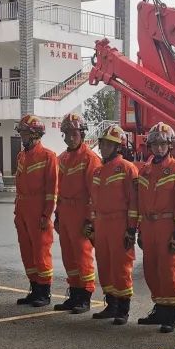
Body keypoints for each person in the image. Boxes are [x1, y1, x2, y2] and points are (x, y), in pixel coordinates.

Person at [134, 122, 175, 334]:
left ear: (170, 145)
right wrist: (139, 228)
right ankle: (159, 308)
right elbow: (139, 202)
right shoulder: (145, 171)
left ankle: (170, 314)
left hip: (168, 226)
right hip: (149, 226)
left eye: (163, 144)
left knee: (169, 270)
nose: (159, 148)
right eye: (155, 144)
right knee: (151, 270)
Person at [88, 124, 140, 325]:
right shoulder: (98, 171)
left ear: (118, 147)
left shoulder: (127, 168)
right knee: (104, 265)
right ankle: (110, 305)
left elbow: (133, 201)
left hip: (119, 223)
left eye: (110, 144)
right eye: (103, 144)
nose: (105, 147)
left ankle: (123, 309)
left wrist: (131, 228)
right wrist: (92, 224)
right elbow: (94, 201)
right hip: (101, 223)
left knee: (121, 266)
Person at [53, 112, 101, 314]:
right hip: (65, 211)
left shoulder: (90, 158)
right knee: (68, 255)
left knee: (82, 255)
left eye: (75, 133)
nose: (71, 137)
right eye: (67, 134)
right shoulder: (62, 158)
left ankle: (85, 297)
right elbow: (58, 188)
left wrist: (90, 219)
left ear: (81, 134)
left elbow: (95, 192)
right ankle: (74, 293)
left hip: (81, 212)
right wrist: (57, 214)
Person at [13, 115, 59, 308]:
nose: (22, 137)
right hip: (23, 209)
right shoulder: (21, 156)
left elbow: (52, 190)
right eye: (21, 133)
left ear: (34, 134)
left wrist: (45, 215)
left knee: (41, 252)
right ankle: (34, 289)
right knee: (27, 252)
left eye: (24, 133)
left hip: (38, 210)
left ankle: (44, 292)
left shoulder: (49, 157)